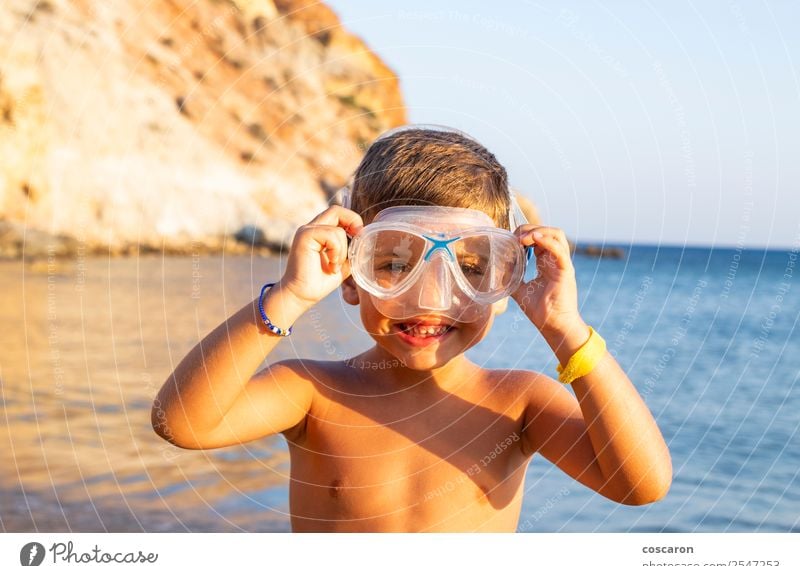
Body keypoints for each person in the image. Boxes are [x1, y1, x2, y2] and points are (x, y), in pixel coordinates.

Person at [151, 125, 672, 532]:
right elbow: (183, 423)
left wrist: (566, 330)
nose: (431, 299)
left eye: (471, 269)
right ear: (350, 275)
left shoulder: (518, 404)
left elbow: (640, 484)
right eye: (395, 262)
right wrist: (290, 297)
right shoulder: (312, 393)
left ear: (507, 279)